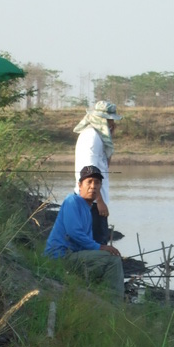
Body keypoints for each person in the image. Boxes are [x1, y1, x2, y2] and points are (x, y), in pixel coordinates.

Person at [45, 165, 124, 301]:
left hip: (74, 256)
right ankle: (115, 306)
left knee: (108, 258)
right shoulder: (72, 201)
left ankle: (103, 297)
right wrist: (100, 247)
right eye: (89, 182)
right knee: (112, 260)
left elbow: (84, 243)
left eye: (97, 183)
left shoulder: (87, 209)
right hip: (60, 256)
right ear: (80, 185)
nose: (93, 186)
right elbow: (74, 233)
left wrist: (99, 250)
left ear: (100, 188)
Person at [73, 101, 122, 244]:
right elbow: (89, 172)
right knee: (96, 242)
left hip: (92, 199)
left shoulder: (98, 137)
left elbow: (104, 166)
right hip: (91, 201)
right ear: (101, 120)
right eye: (109, 120)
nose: (112, 124)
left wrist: (110, 138)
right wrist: (99, 201)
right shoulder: (91, 137)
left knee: (97, 241)